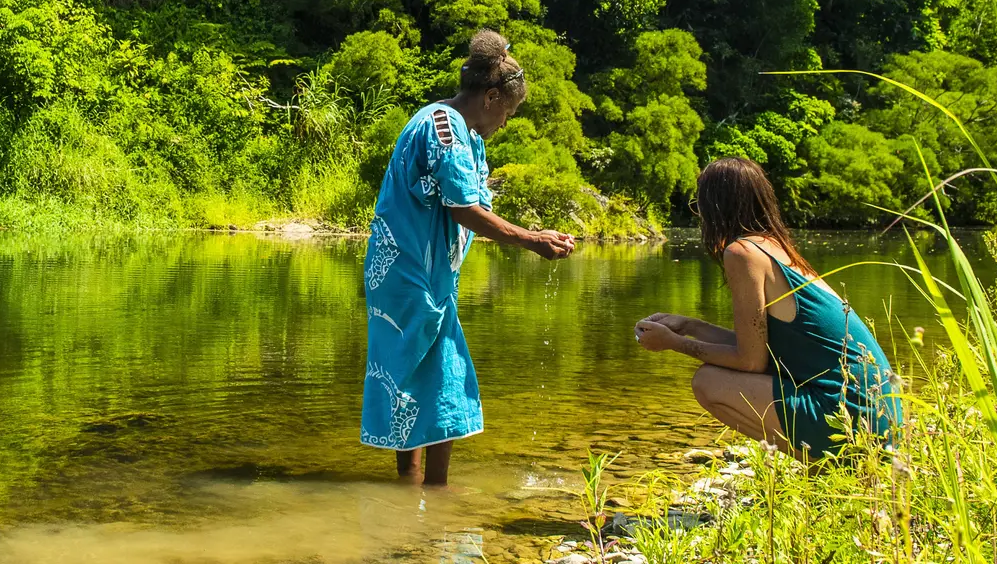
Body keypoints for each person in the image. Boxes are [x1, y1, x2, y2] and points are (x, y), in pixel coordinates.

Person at [360, 29, 576, 485]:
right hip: (406, 271)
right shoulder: (444, 130)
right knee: (426, 372)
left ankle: (416, 489)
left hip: (431, 273)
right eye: (510, 112)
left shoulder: (468, 137)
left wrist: (534, 235)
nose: (507, 122)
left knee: (433, 374)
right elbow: (464, 210)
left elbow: (477, 208)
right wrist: (531, 239)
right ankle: (428, 491)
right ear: (492, 97)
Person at [633, 157, 903, 460]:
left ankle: (828, 466)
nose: (700, 214)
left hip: (849, 416)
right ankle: (840, 463)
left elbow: (750, 362)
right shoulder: (774, 247)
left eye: (700, 204)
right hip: (880, 417)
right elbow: (761, 350)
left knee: (708, 382)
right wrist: (691, 326)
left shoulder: (743, 253)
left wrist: (674, 344)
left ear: (716, 206)